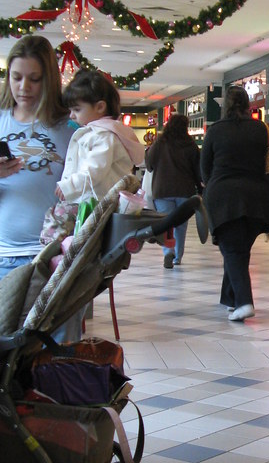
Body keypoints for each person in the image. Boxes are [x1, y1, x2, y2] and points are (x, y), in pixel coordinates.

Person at [201, 85, 269, 322]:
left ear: (226, 106)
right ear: (249, 104)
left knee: (232, 250)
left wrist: (212, 187)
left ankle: (243, 302)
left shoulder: (215, 131)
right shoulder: (262, 129)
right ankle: (230, 298)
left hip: (223, 197)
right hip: (257, 197)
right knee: (239, 248)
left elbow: (204, 168)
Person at [0, 35, 75, 280]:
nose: (24, 88)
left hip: (50, 258)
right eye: (16, 77)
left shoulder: (69, 129)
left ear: (49, 79)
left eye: (34, 79)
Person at [57, 69, 145, 205]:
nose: (71, 115)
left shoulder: (103, 136)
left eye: (77, 110)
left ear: (100, 107)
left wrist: (69, 186)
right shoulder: (103, 133)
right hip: (100, 203)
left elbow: (94, 171)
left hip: (98, 205)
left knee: (55, 223)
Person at [144, 114, 202, 268]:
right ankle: (177, 256)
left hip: (163, 191)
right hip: (185, 191)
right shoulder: (190, 145)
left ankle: (168, 251)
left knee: (167, 222)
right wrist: (201, 189)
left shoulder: (160, 142)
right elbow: (198, 170)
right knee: (180, 225)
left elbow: (149, 164)